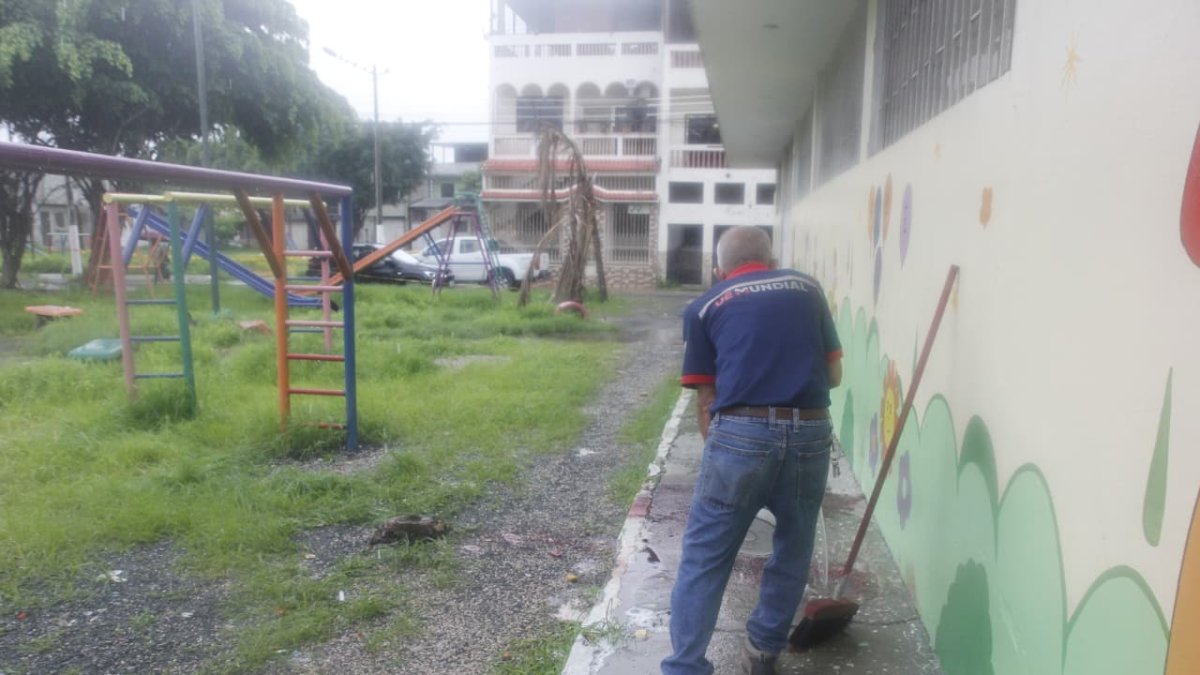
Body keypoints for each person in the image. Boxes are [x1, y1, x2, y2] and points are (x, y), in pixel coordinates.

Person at [662, 226, 843, 675]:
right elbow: (834, 375)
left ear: (719, 268)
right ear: (773, 258)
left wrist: (726, 456)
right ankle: (762, 654)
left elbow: (705, 398)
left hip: (740, 433)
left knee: (706, 555)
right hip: (810, 432)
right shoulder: (807, 289)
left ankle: (685, 667)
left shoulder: (704, 306)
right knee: (793, 546)